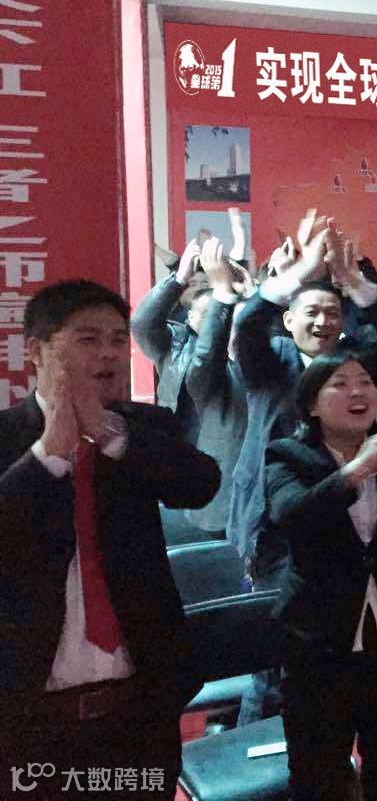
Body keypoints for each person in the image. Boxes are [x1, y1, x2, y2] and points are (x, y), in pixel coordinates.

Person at [0, 280, 219, 796]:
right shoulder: (6, 437)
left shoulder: (142, 428)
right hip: (30, 716)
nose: (108, 353)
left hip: (140, 707)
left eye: (119, 339)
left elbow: (200, 484)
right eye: (88, 339)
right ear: (37, 351)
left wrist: (108, 433)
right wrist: (48, 454)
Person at [266, 351, 377, 801]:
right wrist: (356, 469)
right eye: (340, 383)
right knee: (319, 776)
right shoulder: (287, 455)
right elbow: (292, 516)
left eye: (365, 381)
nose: (358, 391)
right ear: (312, 404)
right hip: (319, 642)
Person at [183, 236, 249, 537]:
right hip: (222, 506)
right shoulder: (210, 377)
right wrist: (222, 293)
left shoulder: (278, 367)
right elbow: (206, 355)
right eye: (237, 321)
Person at [131, 236, 209, 441]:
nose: (199, 289)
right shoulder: (175, 341)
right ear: (190, 316)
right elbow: (141, 323)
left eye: (205, 284)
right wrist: (179, 279)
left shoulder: (237, 341)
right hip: (183, 441)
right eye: (205, 314)